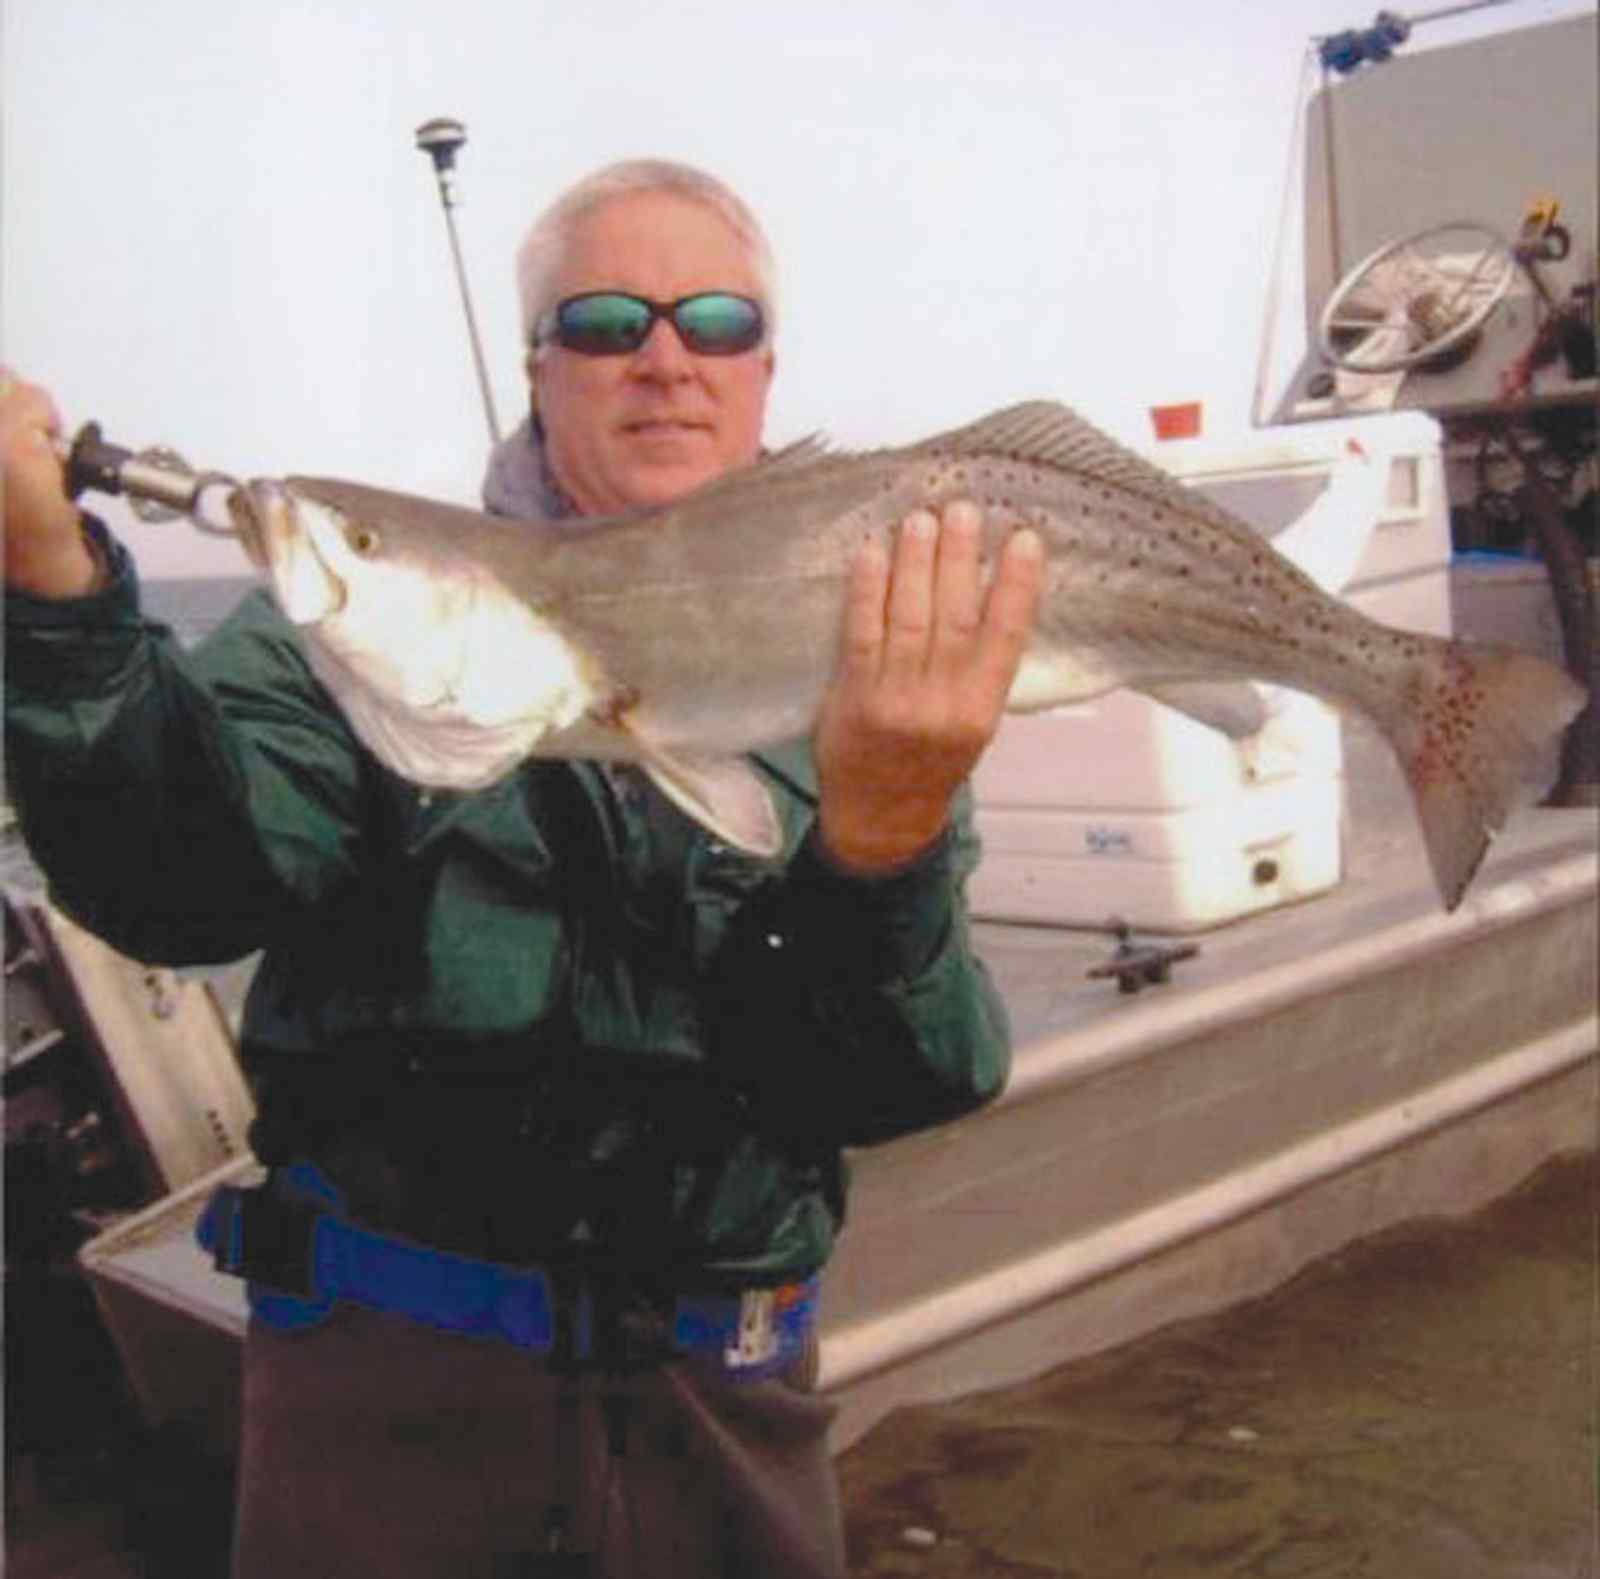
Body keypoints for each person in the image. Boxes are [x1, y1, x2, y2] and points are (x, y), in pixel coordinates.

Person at [2, 159, 1043, 1577]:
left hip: (725, 1407)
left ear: (763, 370)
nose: (666, 360)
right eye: (605, 321)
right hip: (381, 1408)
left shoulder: (878, 653)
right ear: (537, 367)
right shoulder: (347, 632)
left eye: (716, 321)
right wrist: (54, 599)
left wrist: (886, 837)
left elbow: (901, 1082)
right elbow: (180, 891)